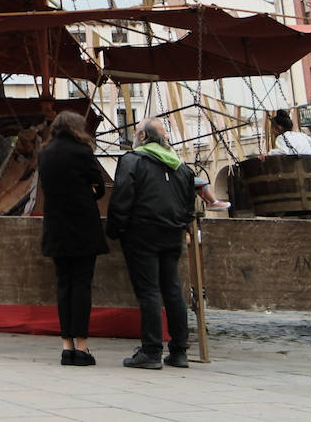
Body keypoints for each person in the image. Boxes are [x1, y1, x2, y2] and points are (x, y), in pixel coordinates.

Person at [106, 118, 195, 371]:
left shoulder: (133, 161)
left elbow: (122, 197)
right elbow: (189, 202)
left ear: (143, 137)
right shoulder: (180, 166)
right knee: (173, 290)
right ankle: (179, 351)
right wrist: (182, 224)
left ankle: (152, 350)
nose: (135, 136)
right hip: (172, 233)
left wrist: (115, 230)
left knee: (149, 291)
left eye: (136, 132)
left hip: (142, 233)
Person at [37, 110, 108, 366]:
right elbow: (99, 186)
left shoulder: (44, 153)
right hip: (82, 225)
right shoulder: (82, 152)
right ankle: (82, 347)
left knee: (63, 285)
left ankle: (66, 346)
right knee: (82, 285)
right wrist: (87, 192)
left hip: (56, 225)